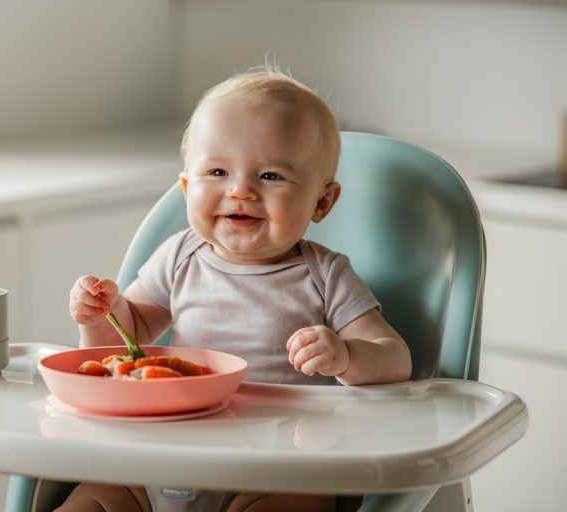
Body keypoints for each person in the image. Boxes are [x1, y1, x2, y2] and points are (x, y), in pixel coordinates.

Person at [59, 65, 412, 512]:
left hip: (278, 466)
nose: (240, 190)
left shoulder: (325, 275)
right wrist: (100, 314)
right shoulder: (179, 256)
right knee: (93, 499)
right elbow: (127, 340)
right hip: (157, 458)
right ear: (187, 188)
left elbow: (395, 357)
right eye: (219, 171)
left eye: (270, 177)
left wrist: (346, 355)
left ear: (322, 201)